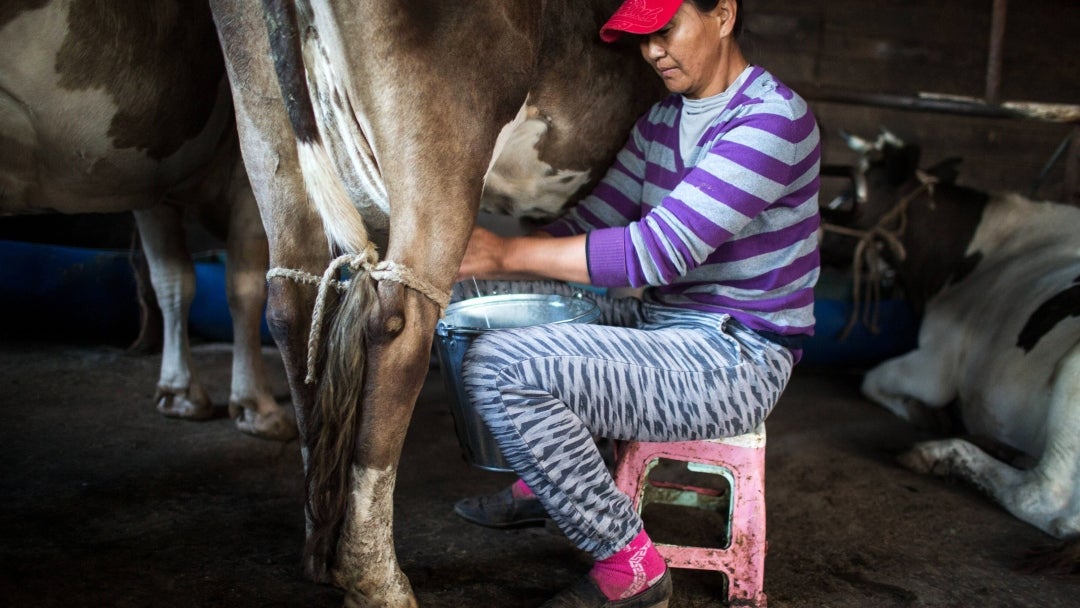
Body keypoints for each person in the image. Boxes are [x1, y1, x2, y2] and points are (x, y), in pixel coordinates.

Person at [453, 0, 821, 606]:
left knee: (500, 367)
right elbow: (597, 219)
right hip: (662, 325)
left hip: (734, 358)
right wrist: (485, 269)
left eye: (665, 30)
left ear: (723, 14)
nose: (652, 52)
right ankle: (548, 482)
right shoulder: (660, 121)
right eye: (642, 38)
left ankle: (632, 567)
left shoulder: (772, 120)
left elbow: (655, 254)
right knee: (486, 300)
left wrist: (504, 253)